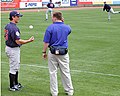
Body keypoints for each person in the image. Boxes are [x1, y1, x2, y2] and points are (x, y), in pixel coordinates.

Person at [42, 12, 74, 96]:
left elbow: (46, 42)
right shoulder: (67, 27)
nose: (51, 19)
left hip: (53, 52)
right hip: (63, 52)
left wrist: (44, 52)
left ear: (55, 18)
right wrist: (63, 22)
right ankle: (69, 90)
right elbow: (68, 31)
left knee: (53, 72)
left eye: (52, 18)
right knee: (66, 71)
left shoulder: (50, 27)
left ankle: (54, 92)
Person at [4, 10, 34, 91]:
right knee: (13, 67)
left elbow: (5, 36)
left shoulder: (7, 26)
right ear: (13, 17)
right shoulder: (14, 28)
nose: (19, 18)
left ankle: (16, 83)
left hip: (9, 47)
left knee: (16, 66)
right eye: (17, 16)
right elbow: (18, 41)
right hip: (13, 49)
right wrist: (28, 41)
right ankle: (12, 86)